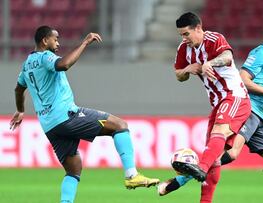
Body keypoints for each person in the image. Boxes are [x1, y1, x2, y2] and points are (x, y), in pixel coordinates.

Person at [9, 25, 159, 203]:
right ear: (44, 40)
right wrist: (85, 43)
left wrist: (20, 110)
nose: (58, 43)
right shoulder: (46, 57)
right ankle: (131, 175)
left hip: (50, 126)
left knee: (73, 170)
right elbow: (63, 64)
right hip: (66, 115)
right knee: (120, 126)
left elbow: (18, 89)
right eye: (55, 39)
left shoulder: (26, 65)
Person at [159, 19, 263, 203]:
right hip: (250, 111)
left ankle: (183, 178)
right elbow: (244, 80)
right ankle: (180, 180)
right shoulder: (260, 54)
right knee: (230, 153)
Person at [167, 12, 251, 203]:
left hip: (234, 96)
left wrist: (209, 64)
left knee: (215, 141)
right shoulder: (184, 49)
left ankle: (200, 169)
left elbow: (228, 56)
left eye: (186, 34)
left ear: (198, 28)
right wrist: (188, 69)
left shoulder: (214, 39)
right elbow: (178, 74)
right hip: (217, 104)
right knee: (212, 154)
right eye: (181, 35)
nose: (184, 38)